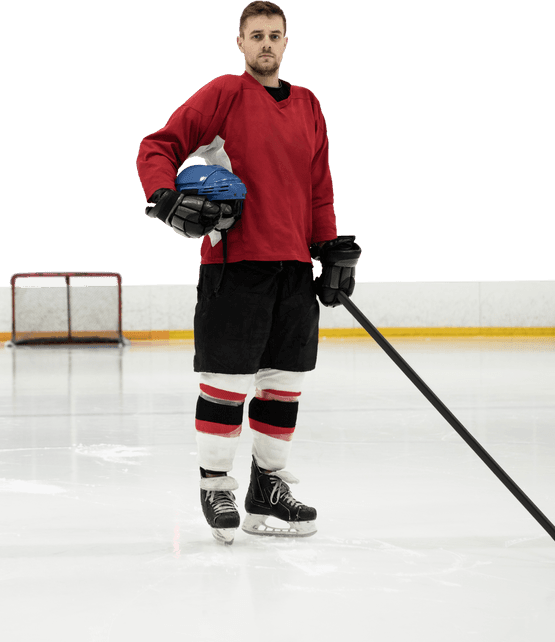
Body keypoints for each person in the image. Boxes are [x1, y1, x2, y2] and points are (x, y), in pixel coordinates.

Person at [136, 1, 361, 544]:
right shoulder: (223, 94)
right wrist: (163, 198)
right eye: (256, 35)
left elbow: (318, 187)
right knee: (228, 382)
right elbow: (157, 146)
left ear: (287, 43)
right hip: (234, 263)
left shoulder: (309, 104)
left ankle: (268, 486)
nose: (266, 44)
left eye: (275, 36)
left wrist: (327, 248)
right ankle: (215, 483)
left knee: (284, 383)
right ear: (240, 44)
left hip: (292, 266)